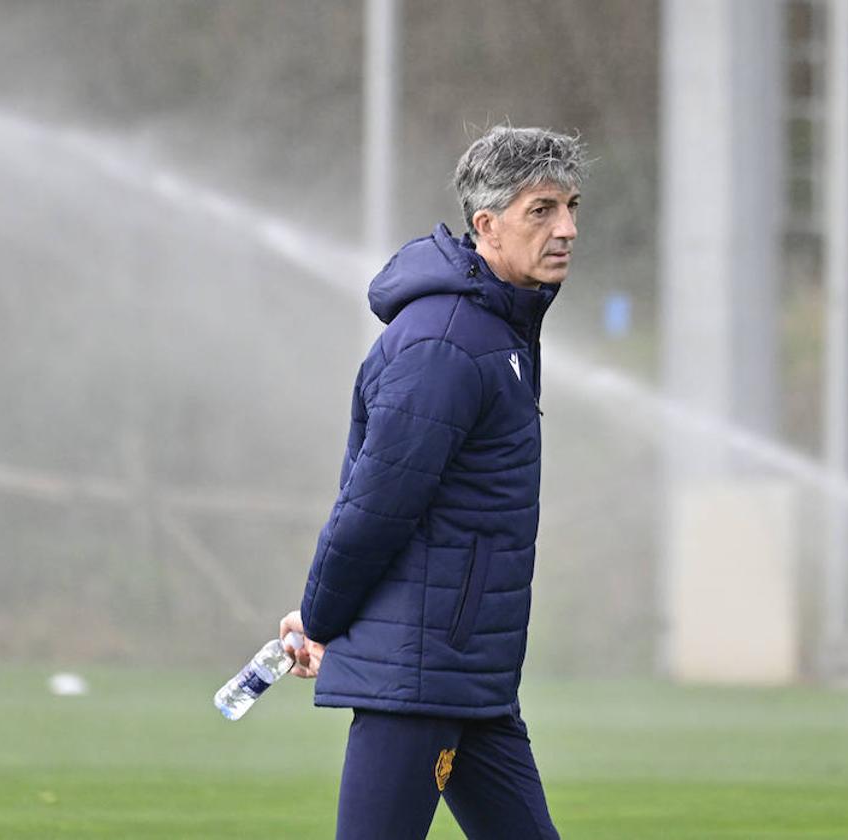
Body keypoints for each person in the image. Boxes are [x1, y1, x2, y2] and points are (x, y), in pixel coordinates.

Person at [279, 125, 586, 840]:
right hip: (419, 677)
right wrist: (320, 619)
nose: (566, 228)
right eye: (541, 210)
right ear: (488, 225)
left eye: (571, 206)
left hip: (466, 676)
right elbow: (375, 507)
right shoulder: (449, 342)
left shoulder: (497, 331)